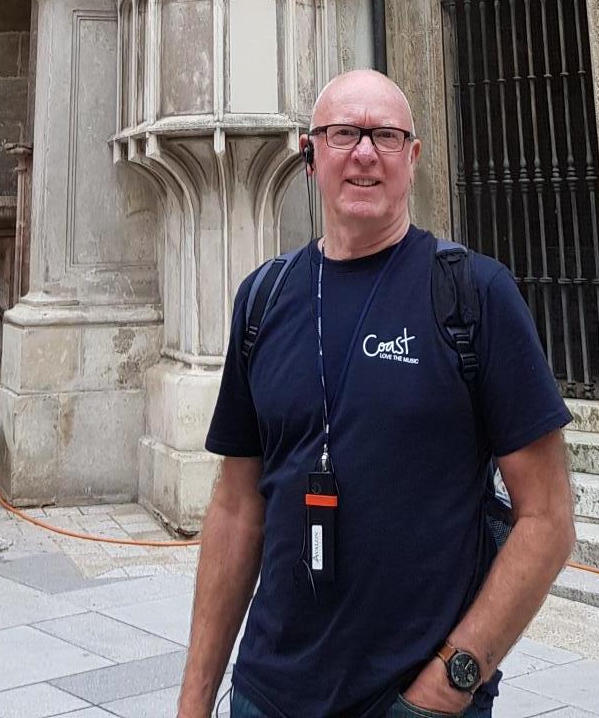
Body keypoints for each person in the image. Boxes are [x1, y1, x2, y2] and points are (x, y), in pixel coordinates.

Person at [176, 70, 576, 718]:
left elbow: (547, 519)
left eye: (385, 136)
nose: (364, 152)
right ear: (311, 156)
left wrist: (449, 685)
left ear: (411, 157)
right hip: (266, 694)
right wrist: (195, 702)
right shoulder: (263, 300)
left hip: (412, 701)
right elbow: (236, 508)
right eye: (343, 134)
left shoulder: (474, 295)